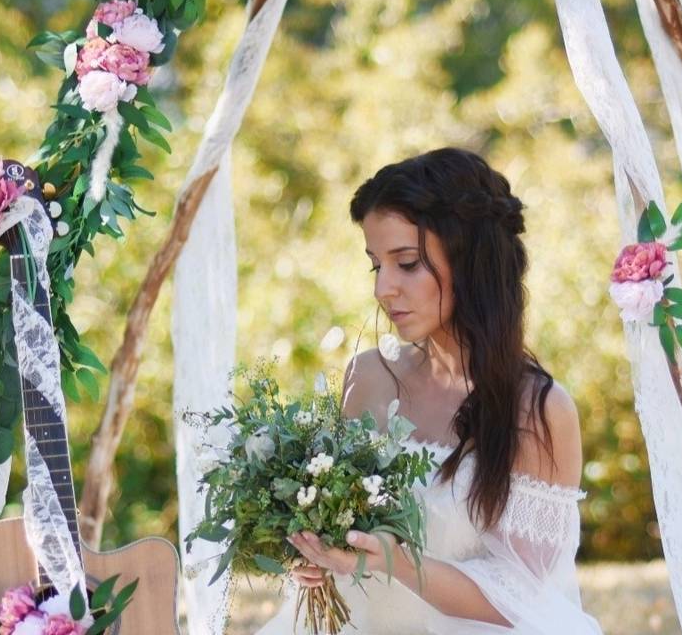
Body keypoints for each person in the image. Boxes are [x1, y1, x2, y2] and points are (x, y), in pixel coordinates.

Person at [255, 147, 602, 634]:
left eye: (408, 263)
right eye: (377, 265)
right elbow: (337, 529)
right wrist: (315, 555)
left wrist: (394, 561)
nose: (383, 289)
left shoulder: (538, 409)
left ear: (471, 261)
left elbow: (522, 594)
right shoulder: (369, 377)